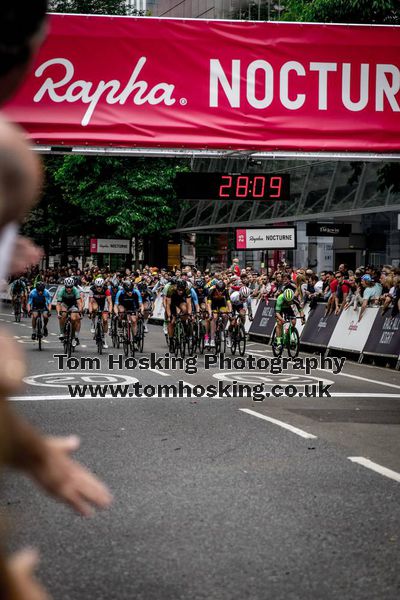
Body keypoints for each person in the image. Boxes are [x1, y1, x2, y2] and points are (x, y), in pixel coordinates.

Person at [88, 277, 112, 348]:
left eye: (100, 286)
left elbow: (110, 302)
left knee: (105, 320)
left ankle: (105, 339)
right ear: (95, 286)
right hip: (95, 302)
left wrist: (110, 311)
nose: (98, 288)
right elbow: (90, 302)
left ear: (102, 286)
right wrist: (90, 311)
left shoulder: (106, 290)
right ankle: (93, 323)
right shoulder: (92, 289)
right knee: (94, 308)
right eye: (97, 286)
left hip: (103, 303)